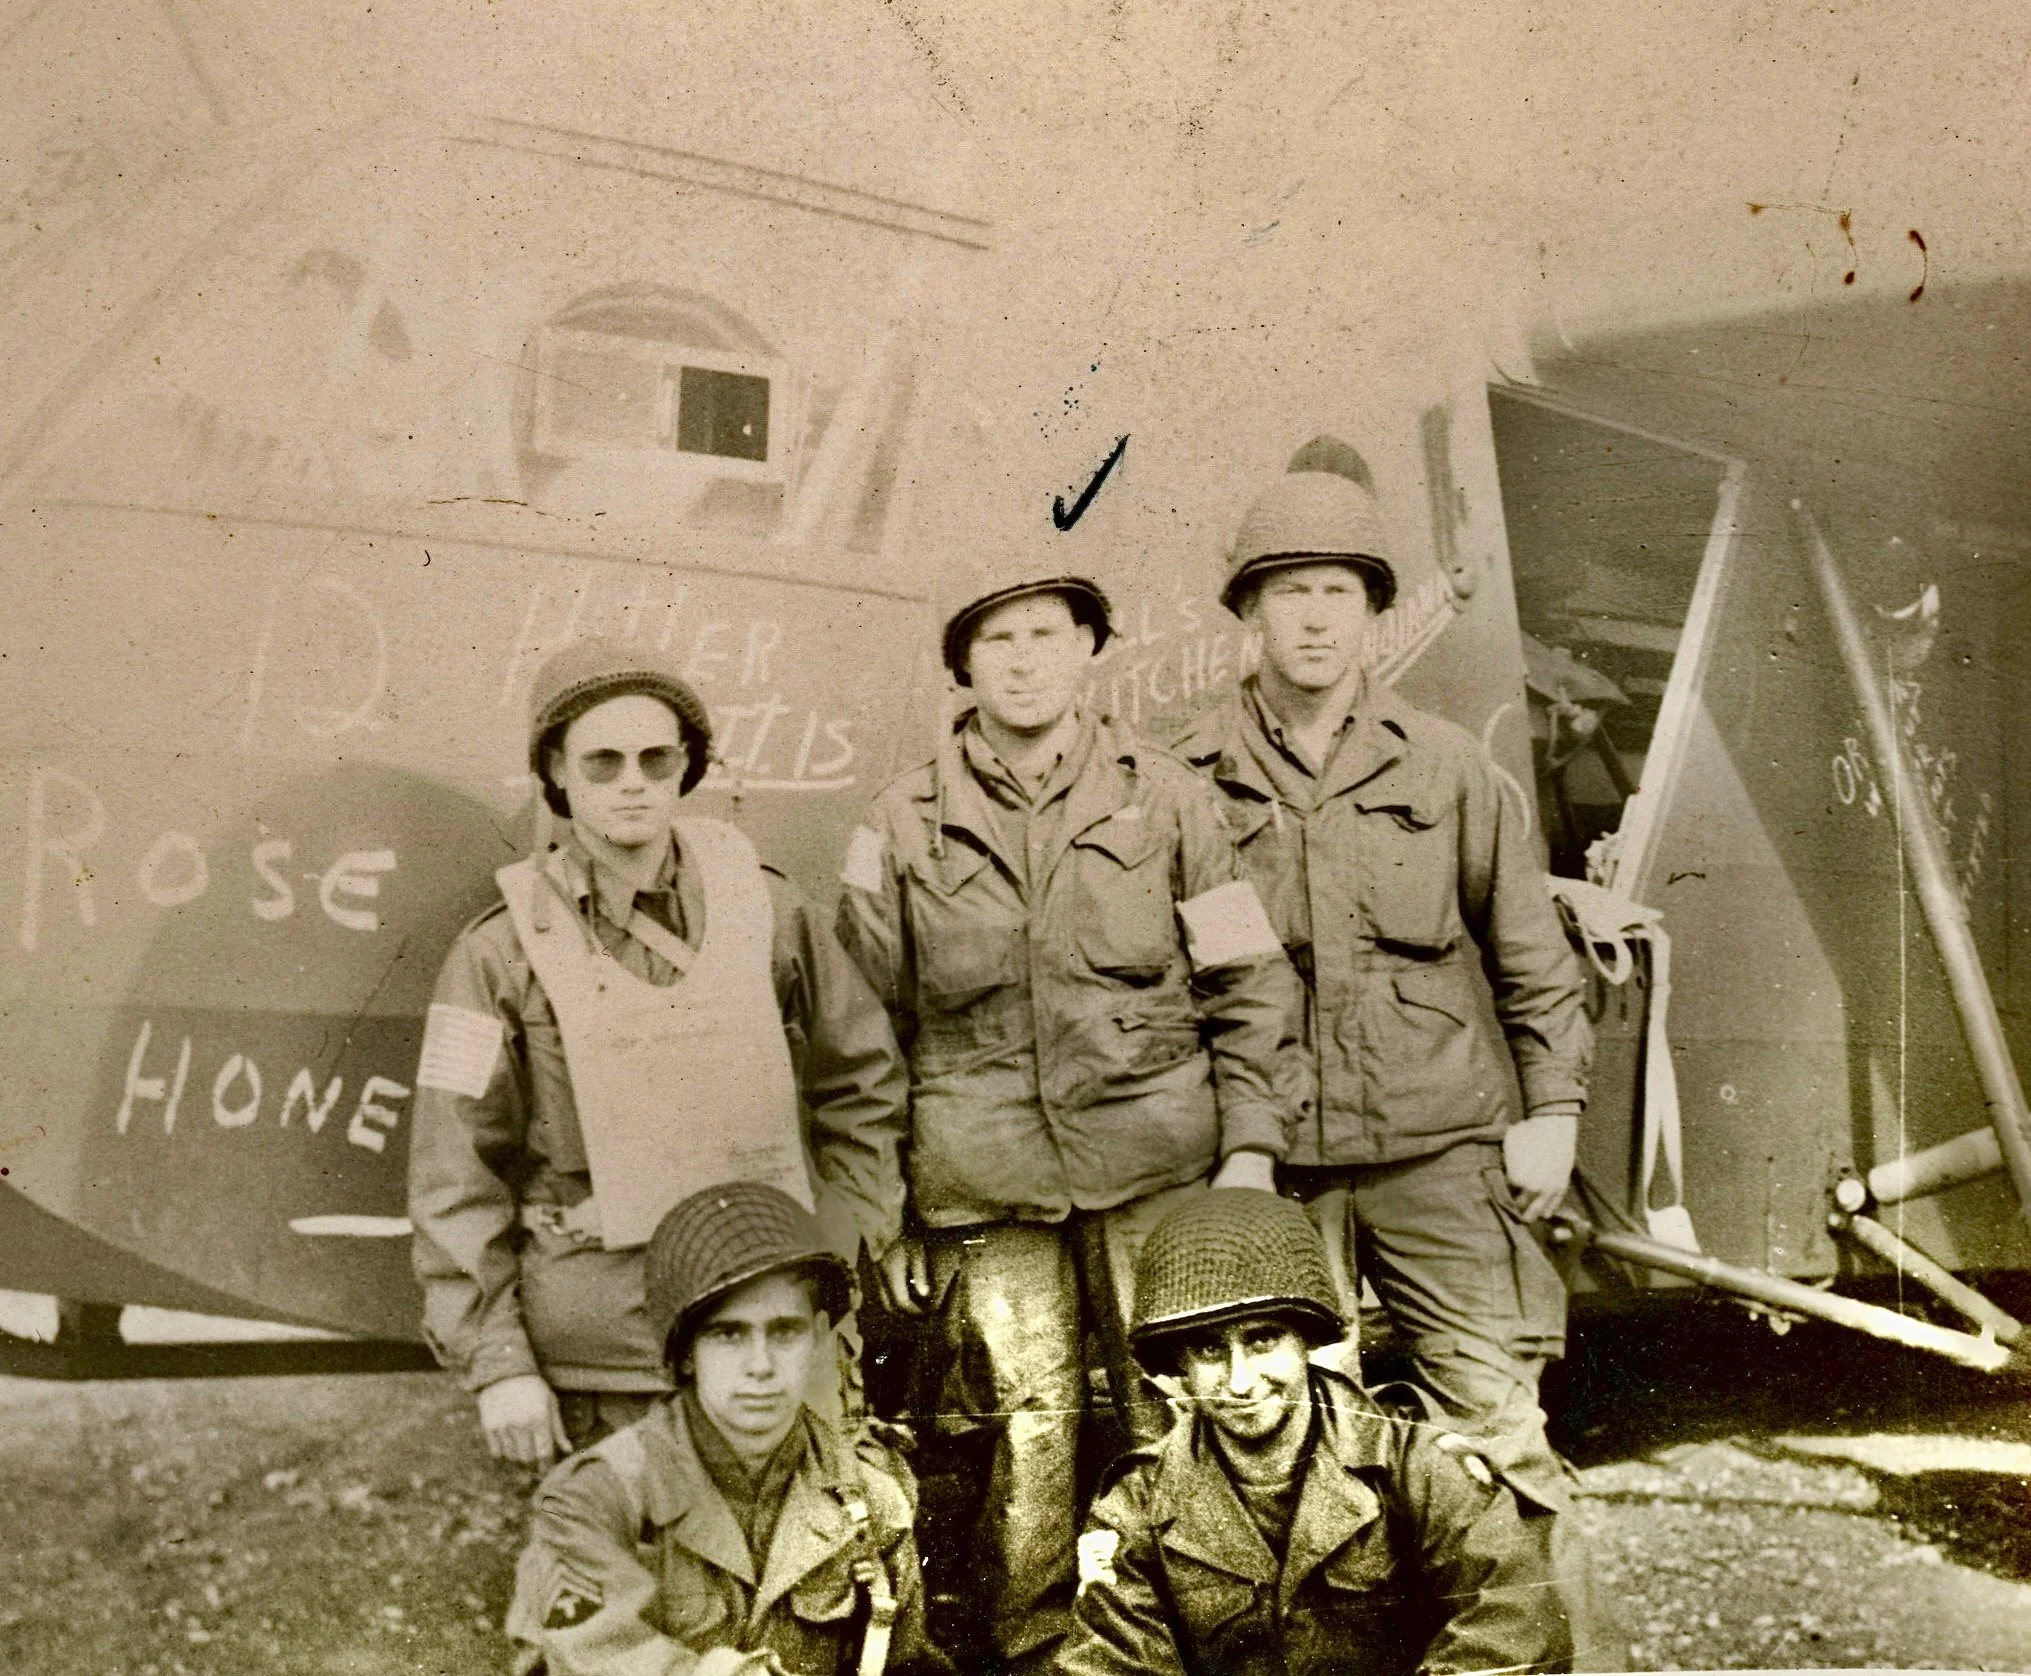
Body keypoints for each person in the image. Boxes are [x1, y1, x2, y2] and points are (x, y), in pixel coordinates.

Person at [834, 555, 1296, 1672]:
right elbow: (860, 1029)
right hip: (981, 1180)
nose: (1027, 659)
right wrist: (885, 1209)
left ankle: (1202, 1635)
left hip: (1156, 1164)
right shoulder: (898, 824)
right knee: (1017, 1433)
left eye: (1049, 632)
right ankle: (1034, 1653)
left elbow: (1248, 976)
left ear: (1093, 650)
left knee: (1177, 1408)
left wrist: (1250, 1148)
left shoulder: (1173, 799)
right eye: (999, 639)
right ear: (962, 666)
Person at [1167, 468, 1593, 1511]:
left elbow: (1532, 952)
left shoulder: (1447, 769)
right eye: (1290, 592)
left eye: (1339, 593)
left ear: (1371, 613)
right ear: (1250, 614)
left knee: (1496, 1433)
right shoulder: (1184, 778)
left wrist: (1556, 1111)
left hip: (1438, 1154)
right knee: (1281, 1455)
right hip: (1273, 1167)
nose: (1315, 619)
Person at [409, 635, 908, 1468]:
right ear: (557, 773)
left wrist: (840, 1247)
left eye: (654, 757)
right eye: (601, 762)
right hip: (605, 1355)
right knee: (629, 1587)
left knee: (801, 1578)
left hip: (767, 1337)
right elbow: (453, 1177)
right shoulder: (495, 955)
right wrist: (499, 1366)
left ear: (686, 766)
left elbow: (862, 1080)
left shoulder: (772, 912)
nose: (632, 781)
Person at [1059, 1188, 1570, 1676]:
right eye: (1210, 1351)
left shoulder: (1417, 1464)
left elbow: (1513, 1620)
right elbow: (1111, 1663)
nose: (1239, 1382)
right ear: (1180, 1366)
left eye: (1262, 1341)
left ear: (1305, 1340)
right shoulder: (1136, 1505)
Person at [507, 1180, 946, 1676]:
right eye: (728, 1334)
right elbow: (590, 1655)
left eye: (785, 1331)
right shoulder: (595, 1501)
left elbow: (904, 1662)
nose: (760, 1365)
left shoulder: (870, 1505)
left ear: (820, 1339)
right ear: (688, 1353)